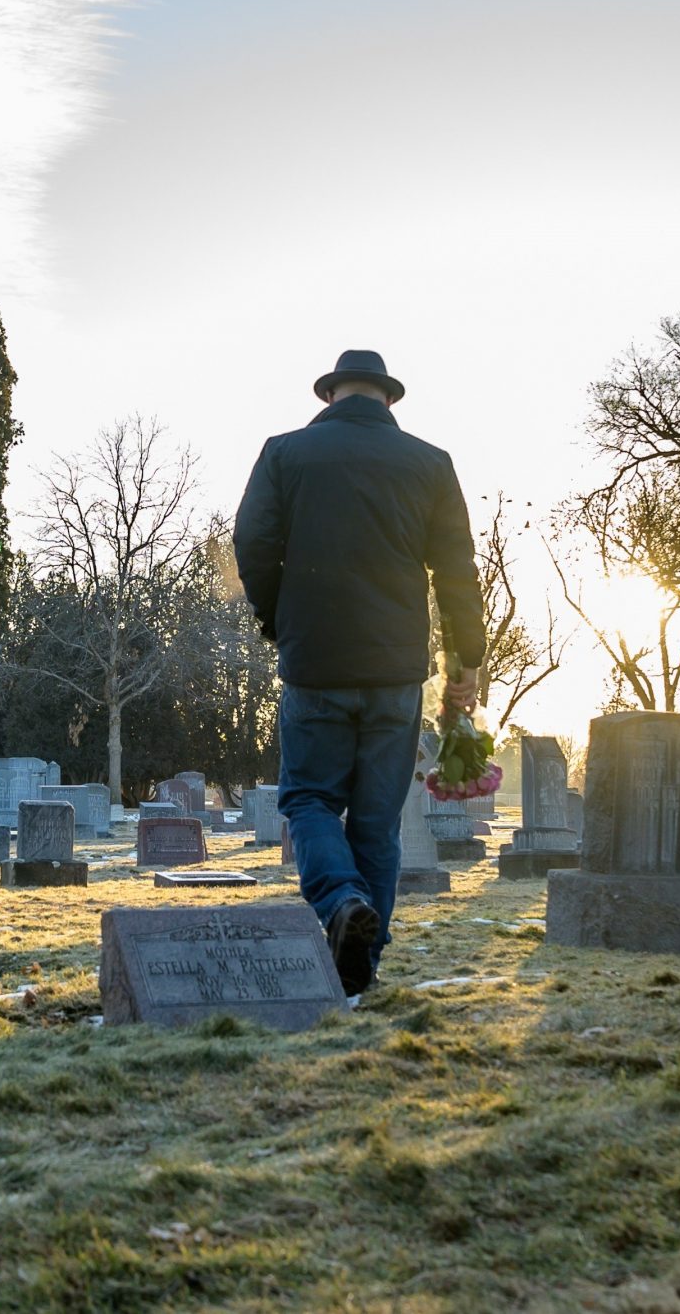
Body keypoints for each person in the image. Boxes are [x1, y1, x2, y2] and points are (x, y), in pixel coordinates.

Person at [233, 349, 485, 997]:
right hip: (395, 669)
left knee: (309, 800)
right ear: (388, 400)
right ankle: (360, 971)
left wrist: (275, 620)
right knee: (376, 823)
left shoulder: (285, 454)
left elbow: (253, 544)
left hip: (314, 660)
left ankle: (343, 903)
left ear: (331, 396)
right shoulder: (429, 464)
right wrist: (468, 662)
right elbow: (456, 570)